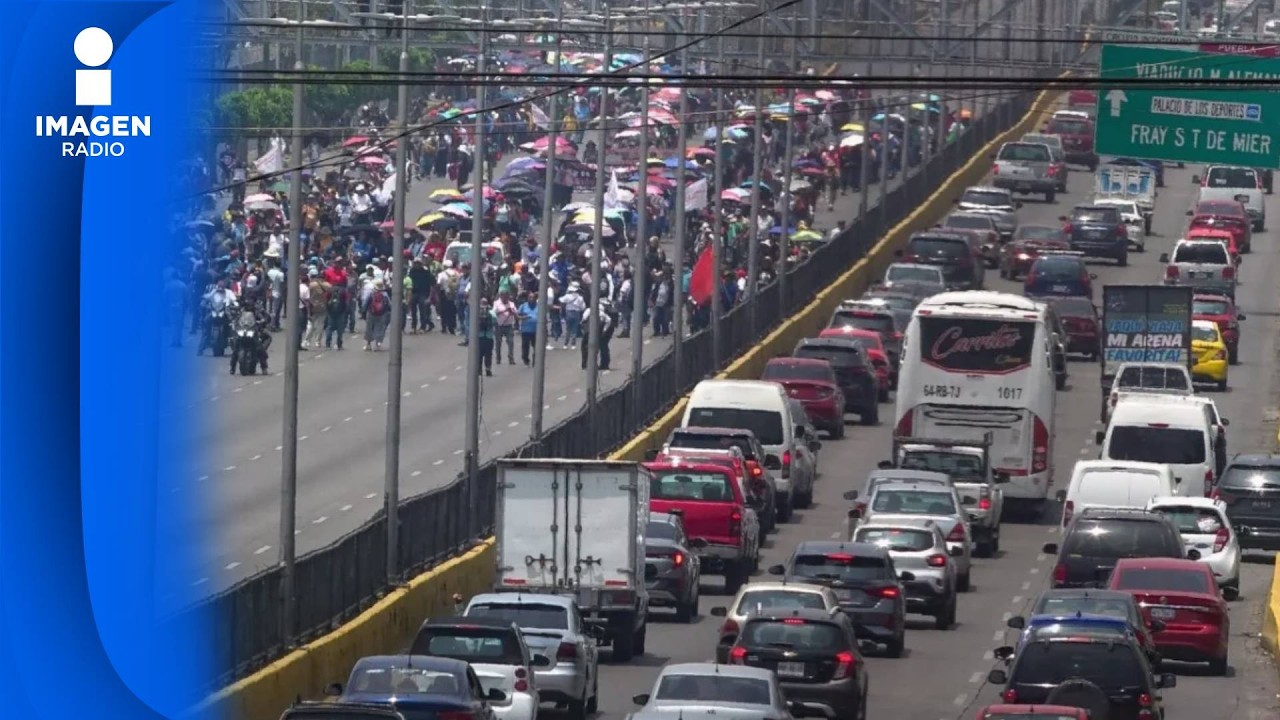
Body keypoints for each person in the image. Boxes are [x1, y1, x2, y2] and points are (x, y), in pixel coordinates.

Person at [363, 278, 391, 351]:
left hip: (371, 313)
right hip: (382, 314)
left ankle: (368, 345)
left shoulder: (371, 293)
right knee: (380, 328)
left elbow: (365, 303)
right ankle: (378, 345)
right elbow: (389, 305)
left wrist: (363, 311)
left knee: (369, 328)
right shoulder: (385, 294)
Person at [492, 290, 518, 364]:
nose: (505, 299)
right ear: (501, 296)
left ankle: (511, 358)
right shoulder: (496, 303)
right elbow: (494, 313)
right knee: (498, 343)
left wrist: (511, 311)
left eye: (507, 297)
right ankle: (498, 358)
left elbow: (516, 313)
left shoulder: (511, 304)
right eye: (504, 297)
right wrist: (504, 311)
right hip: (499, 325)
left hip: (509, 325)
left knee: (510, 342)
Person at [559, 281, 585, 348]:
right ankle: (573, 344)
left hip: (569, 313)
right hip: (577, 313)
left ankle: (565, 344)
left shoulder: (567, 296)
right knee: (574, 329)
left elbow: (561, 300)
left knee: (568, 329)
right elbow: (582, 307)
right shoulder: (580, 297)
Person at [475, 296, 496, 376]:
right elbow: (495, 321)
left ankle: (479, 369)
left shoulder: (477, 311)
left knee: (479, 354)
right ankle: (488, 369)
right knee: (488, 354)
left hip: (480, 336)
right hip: (489, 336)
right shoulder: (491, 312)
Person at [518, 291, 539, 366]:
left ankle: (535, 360)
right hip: (526, 330)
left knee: (536, 347)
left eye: (533, 297)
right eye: (530, 297)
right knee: (525, 346)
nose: (531, 299)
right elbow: (517, 316)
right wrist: (524, 317)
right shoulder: (523, 306)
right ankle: (525, 358)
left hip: (536, 330)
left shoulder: (539, 306)